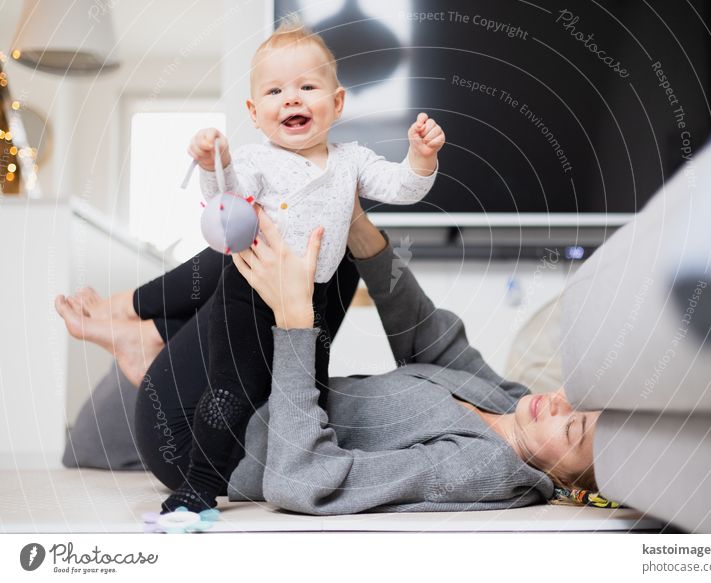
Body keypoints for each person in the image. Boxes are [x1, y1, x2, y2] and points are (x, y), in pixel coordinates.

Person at [56, 196, 599, 515]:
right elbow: (430, 338)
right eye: (576, 402)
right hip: (249, 397)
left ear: (573, 486)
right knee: (326, 236)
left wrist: (296, 320)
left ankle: (125, 313)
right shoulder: (510, 402)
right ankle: (145, 340)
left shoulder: (484, 468)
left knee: (263, 233)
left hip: (201, 439)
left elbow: (304, 478)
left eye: (571, 431)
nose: (555, 404)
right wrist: (358, 222)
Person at [158, 18, 445, 513]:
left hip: (315, 297)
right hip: (249, 293)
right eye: (274, 91)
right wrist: (214, 162)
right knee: (232, 389)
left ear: (336, 103)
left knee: (307, 392)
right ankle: (198, 485)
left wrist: (421, 158)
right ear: (254, 111)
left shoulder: (352, 159)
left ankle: (291, 469)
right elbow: (226, 198)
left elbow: (402, 188)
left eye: (307, 86)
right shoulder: (254, 160)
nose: (291, 99)